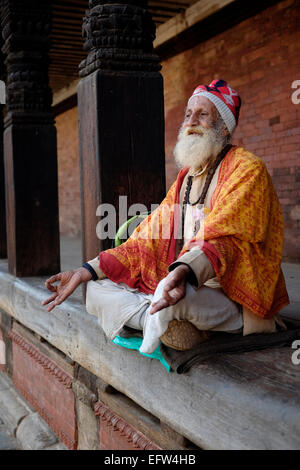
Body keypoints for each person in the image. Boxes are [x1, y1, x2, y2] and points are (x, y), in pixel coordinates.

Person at [42, 79, 290, 354]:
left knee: (173, 299)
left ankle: (159, 319)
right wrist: (87, 269)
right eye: (187, 114)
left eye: (203, 114)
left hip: (229, 294)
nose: (191, 121)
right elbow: (148, 236)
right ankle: (162, 321)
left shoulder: (248, 169)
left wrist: (183, 271)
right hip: (180, 281)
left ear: (223, 126)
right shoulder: (186, 178)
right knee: (97, 288)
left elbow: (226, 240)